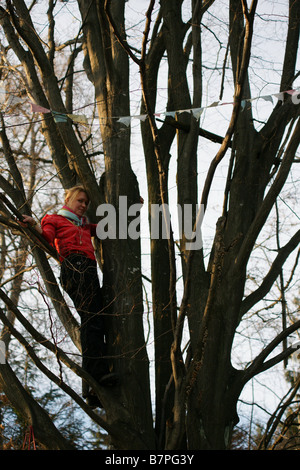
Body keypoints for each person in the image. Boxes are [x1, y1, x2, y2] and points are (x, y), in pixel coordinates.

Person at [22, 185, 118, 408]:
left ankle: (92, 388)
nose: (84, 205)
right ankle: (95, 379)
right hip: (74, 266)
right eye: (80, 200)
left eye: (86, 203)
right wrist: (33, 224)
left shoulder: (85, 225)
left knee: (95, 320)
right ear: (69, 198)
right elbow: (46, 238)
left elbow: (108, 228)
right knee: (92, 320)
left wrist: (134, 205)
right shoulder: (54, 219)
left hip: (89, 270)